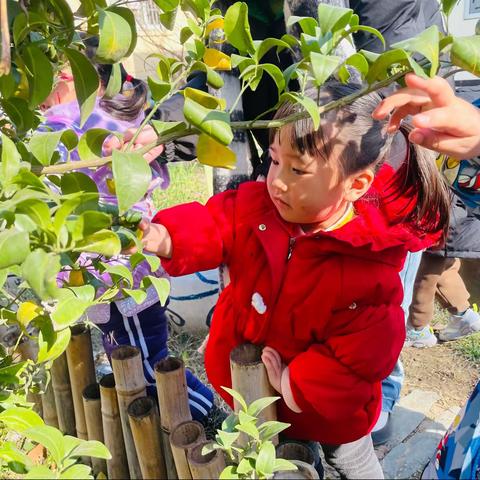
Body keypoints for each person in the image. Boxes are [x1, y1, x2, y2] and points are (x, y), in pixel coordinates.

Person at [131, 83, 450, 478]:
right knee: (278, 459)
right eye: (275, 160)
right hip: (255, 387)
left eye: (298, 170)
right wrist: (166, 238)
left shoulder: (368, 262)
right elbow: (213, 224)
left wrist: (294, 380)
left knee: (351, 460)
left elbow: (364, 354)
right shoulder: (254, 208)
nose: (277, 180)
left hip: (325, 404)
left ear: (356, 184)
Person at [43, 37, 214, 424]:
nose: (47, 89)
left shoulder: (88, 125)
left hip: (122, 273)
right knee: (122, 348)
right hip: (101, 274)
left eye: (59, 75)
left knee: (150, 360)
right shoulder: (104, 119)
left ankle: (203, 415)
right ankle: (160, 411)